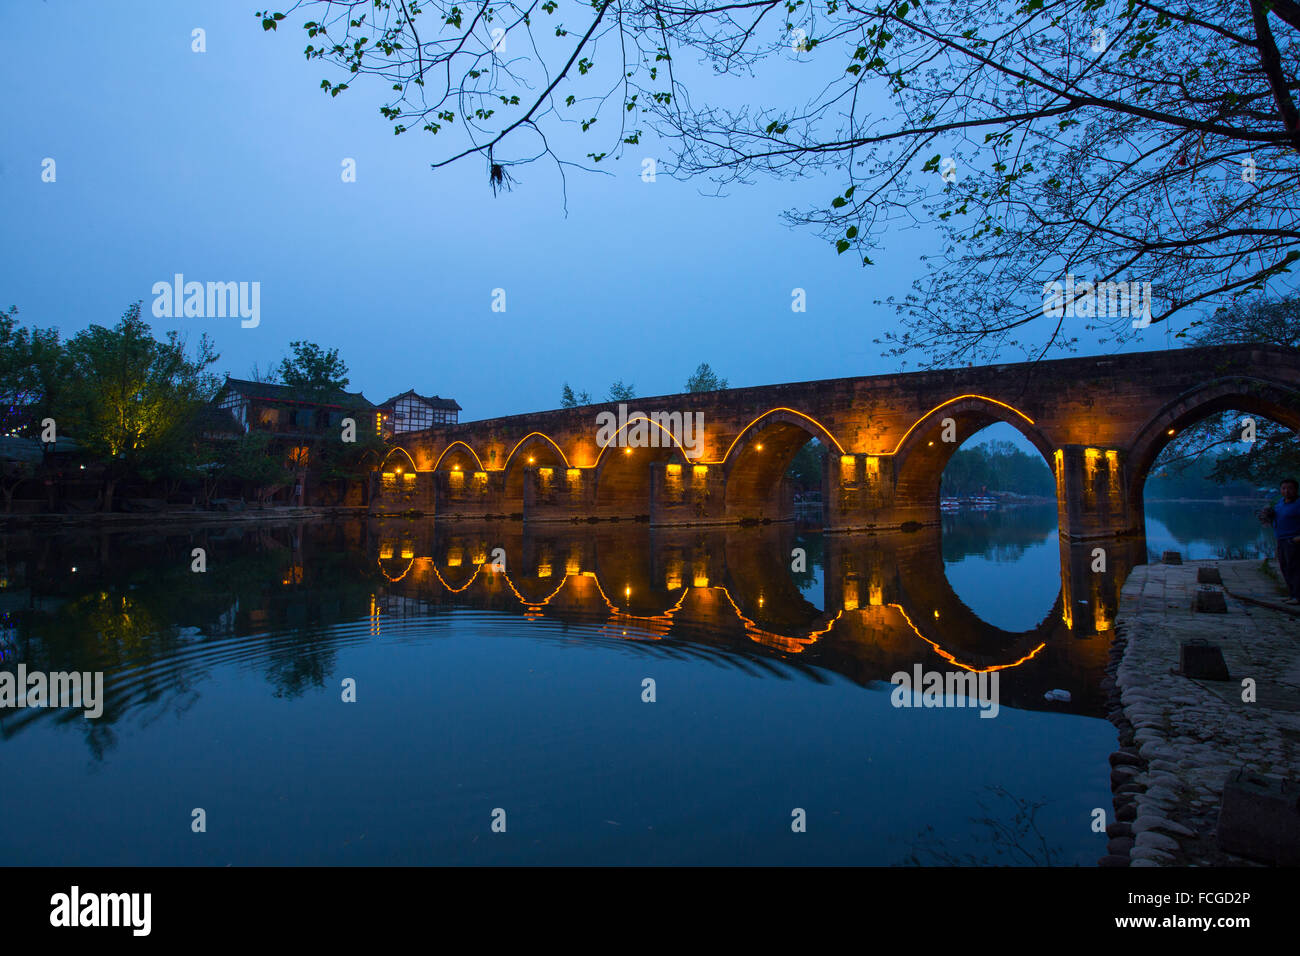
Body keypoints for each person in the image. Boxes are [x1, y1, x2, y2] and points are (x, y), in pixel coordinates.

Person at [1259, 478, 1300, 604]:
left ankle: (1298, 597)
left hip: (1294, 541)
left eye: (1290, 488)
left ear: (1296, 490)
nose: (1287, 491)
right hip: (1281, 540)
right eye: (1284, 488)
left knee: (1296, 569)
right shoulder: (1280, 503)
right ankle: (1292, 594)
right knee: (1285, 568)